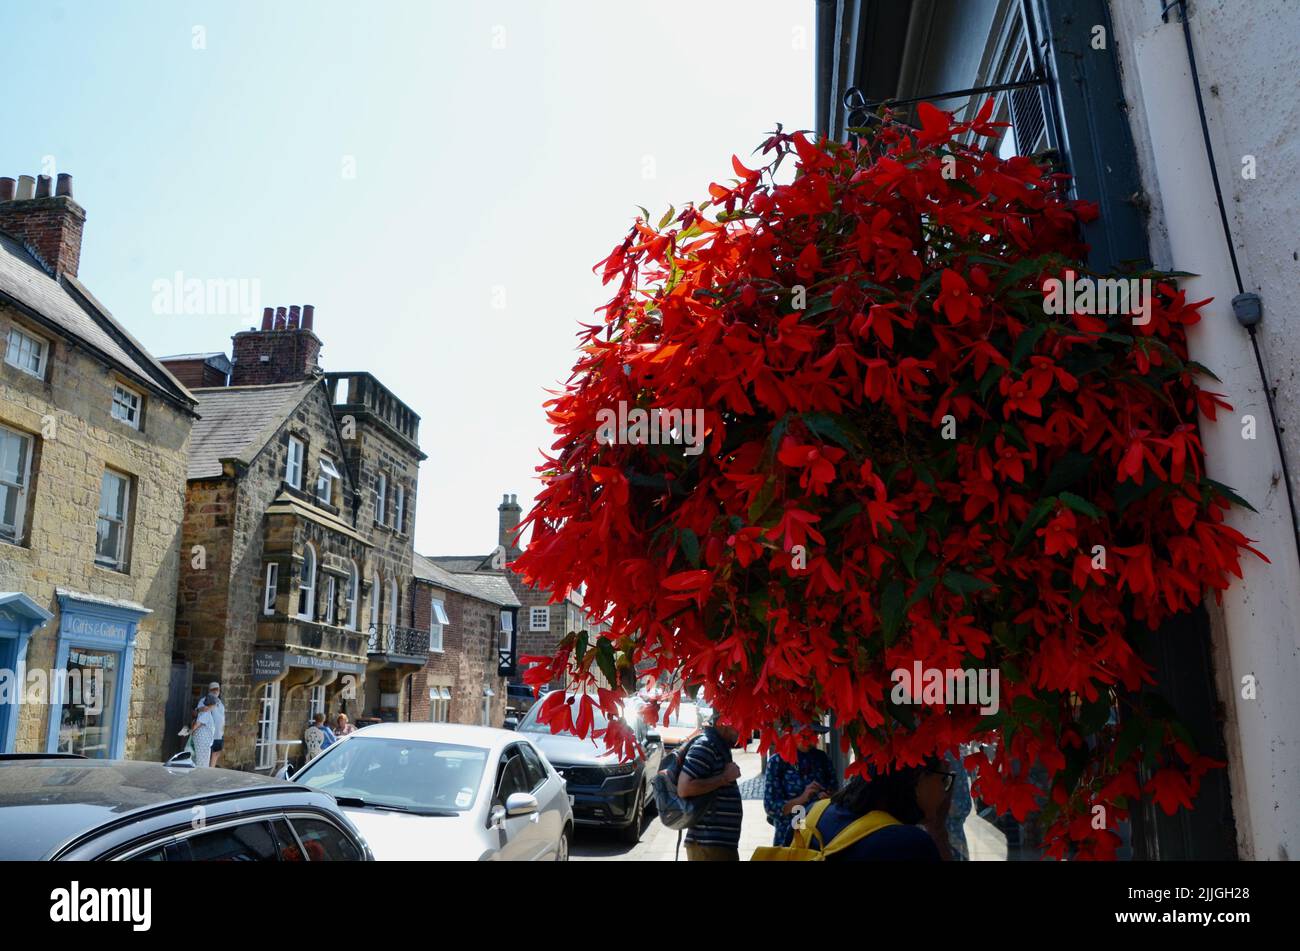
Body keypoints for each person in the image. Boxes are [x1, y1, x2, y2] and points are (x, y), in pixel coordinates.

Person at [811, 756, 955, 861]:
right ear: (919, 780)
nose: (945, 791)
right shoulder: (909, 844)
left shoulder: (811, 814)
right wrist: (938, 832)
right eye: (944, 780)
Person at [675, 710, 743, 861]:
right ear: (725, 723)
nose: (745, 731)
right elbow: (684, 788)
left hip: (717, 846)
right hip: (708, 846)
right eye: (741, 724)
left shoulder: (717, 746)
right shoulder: (706, 746)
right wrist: (724, 778)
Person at [764, 730, 838, 846]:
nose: (809, 741)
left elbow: (835, 793)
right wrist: (801, 799)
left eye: (814, 735)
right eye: (804, 736)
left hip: (819, 836)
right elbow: (771, 807)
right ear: (791, 734)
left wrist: (827, 798)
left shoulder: (822, 758)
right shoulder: (777, 762)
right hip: (788, 838)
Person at [197, 682, 225, 767]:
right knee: (207, 754)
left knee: (216, 753)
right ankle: (207, 772)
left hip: (219, 733)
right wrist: (205, 708)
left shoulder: (220, 702)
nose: (216, 691)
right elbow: (197, 711)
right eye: (213, 689)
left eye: (217, 689)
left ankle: (211, 770)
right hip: (209, 733)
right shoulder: (204, 700)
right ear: (209, 690)